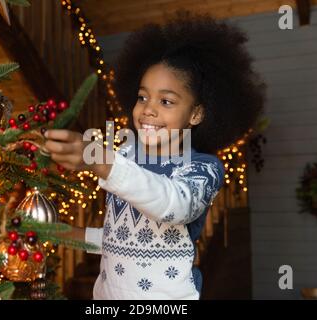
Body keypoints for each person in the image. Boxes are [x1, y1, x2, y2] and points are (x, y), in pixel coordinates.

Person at [43, 12, 265, 299]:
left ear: (195, 113)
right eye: (142, 97)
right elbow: (119, 239)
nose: (148, 109)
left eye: (166, 101)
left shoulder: (204, 169)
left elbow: (172, 205)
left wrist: (98, 159)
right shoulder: (125, 157)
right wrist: (56, 231)